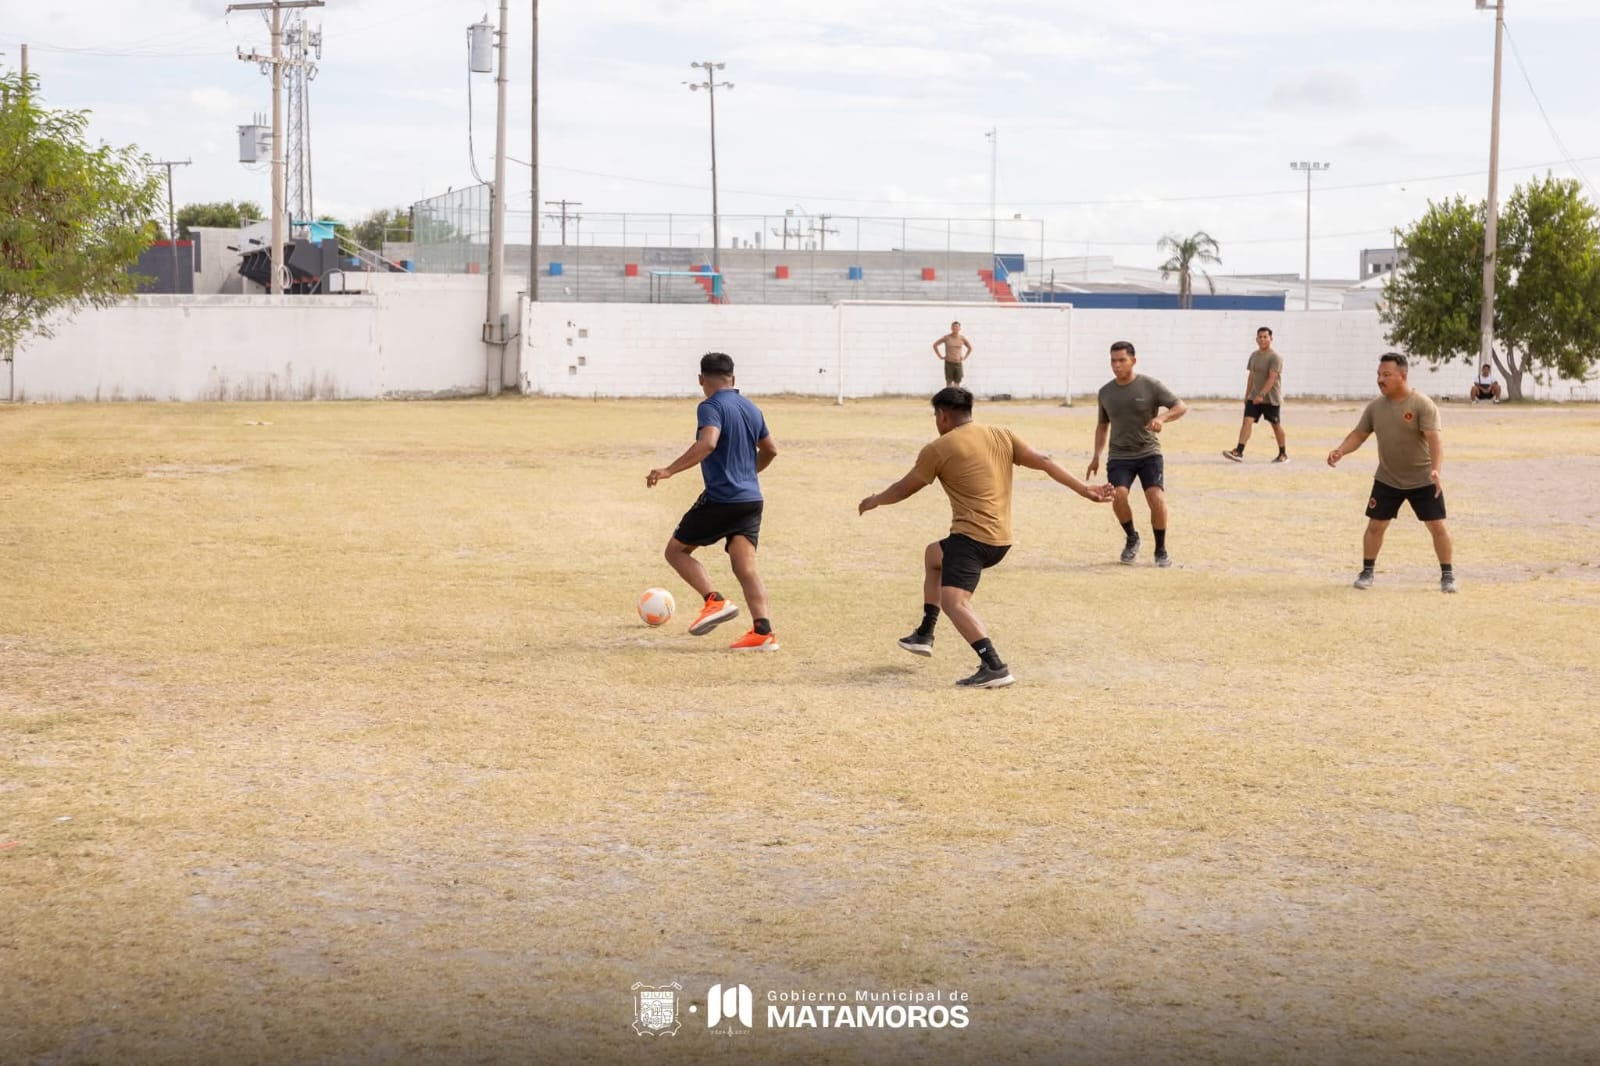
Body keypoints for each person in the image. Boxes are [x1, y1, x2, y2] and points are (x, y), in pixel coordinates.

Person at [858, 387, 1113, 689]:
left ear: (942, 415)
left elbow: (903, 489)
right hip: (1000, 539)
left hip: (972, 540)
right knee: (933, 555)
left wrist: (874, 500)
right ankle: (925, 634)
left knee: (955, 602)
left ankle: (993, 665)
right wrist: (1085, 490)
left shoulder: (938, 448)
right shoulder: (1001, 434)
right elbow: (1044, 461)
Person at [646, 352, 781, 650]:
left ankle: (714, 601)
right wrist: (748, 473)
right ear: (733, 378)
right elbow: (771, 449)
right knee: (745, 567)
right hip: (751, 499)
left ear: (701, 380)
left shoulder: (710, 406)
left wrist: (668, 470)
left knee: (676, 551)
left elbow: (708, 442)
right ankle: (763, 632)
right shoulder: (751, 408)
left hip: (722, 498)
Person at [1327, 352, 1457, 594]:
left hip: (1422, 480)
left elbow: (1435, 441)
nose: (1380, 379)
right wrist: (1341, 451)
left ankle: (1447, 575)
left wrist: (1436, 471)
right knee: (1376, 525)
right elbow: (1359, 434)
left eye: (1386, 374)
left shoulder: (1422, 404)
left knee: (1437, 526)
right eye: (1378, 374)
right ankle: (1367, 571)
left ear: (1402, 375)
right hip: (1387, 478)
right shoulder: (1375, 407)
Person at [1086, 341, 1188, 567]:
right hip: (1119, 456)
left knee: (1156, 497)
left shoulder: (1151, 385)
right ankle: (1132, 538)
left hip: (1148, 453)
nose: (1116, 365)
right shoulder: (1105, 392)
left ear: (1133, 360)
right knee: (1118, 495)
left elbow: (1180, 407)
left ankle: (1160, 549)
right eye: (1113, 360)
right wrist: (1096, 456)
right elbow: (1102, 426)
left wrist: (1161, 418)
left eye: (1122, 360)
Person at [1223, 326, 1288, 463]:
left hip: (1270, 398)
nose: (1262, 339)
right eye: (1260, 336)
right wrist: (1248, 395)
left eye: (1265, 336)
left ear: (1271, 339)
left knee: (1275, 425)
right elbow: (1251, 376)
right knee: (1247, 421)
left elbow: (1272, 378)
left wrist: (1262, 394)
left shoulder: (1275, 357)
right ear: (1256, 339)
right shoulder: (1254, 355)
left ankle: (1282, 454)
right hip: (1254, 397)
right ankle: (1238, 451)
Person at [932, 321, 972, 388]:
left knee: (957, 383)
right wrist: (940, 356)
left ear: (959, 328)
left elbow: (970, 348)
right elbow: (935, 345)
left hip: (958, 363)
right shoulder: (947, 337)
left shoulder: (962, 338)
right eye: (954, 326)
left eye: (957, 327)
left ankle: (956, 398)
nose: (955, 328)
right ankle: (948, 398)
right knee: (949, 383)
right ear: (951, 328)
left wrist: (965, 357)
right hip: (949, 363)